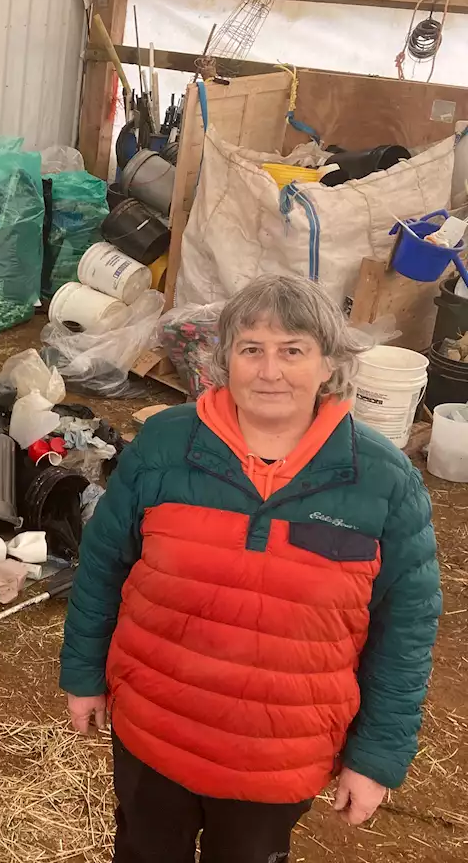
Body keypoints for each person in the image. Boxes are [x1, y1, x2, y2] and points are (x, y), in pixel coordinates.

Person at [59, 274, 441, 863]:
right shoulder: (164, 446)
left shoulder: (384, 482)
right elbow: (102, 569)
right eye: (251, 349)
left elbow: (406, 631)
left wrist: (376, 757)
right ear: (225, 360)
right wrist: (84, 676)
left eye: (293, 351)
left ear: (328, 365)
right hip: (156, 729)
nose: (270, 371)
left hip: (277, 755)